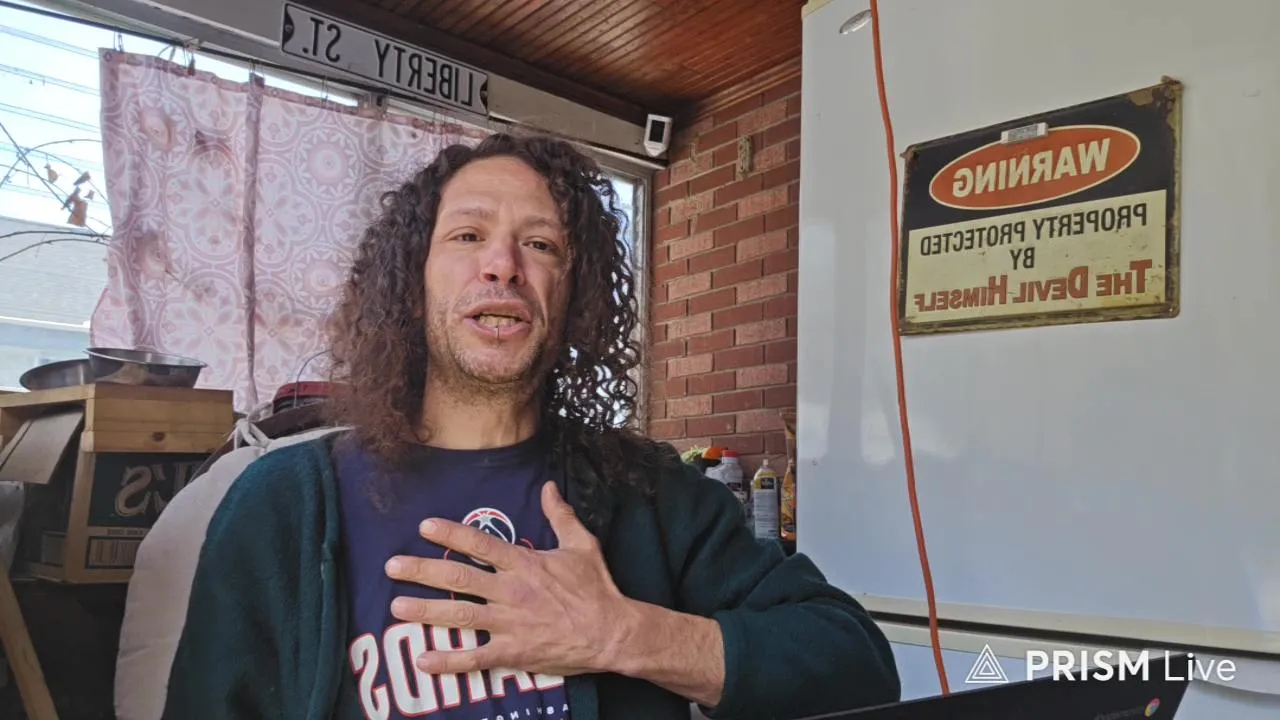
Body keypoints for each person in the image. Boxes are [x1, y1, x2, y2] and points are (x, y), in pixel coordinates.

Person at [161, 132, 900, 719]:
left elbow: (857, 665)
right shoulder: (282, 507)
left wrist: (622, 633)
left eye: (541, 244)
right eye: (467, 236)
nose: (503, 265)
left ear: (573, 299)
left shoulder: (652, 495)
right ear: (412, 285)